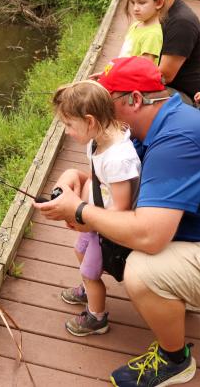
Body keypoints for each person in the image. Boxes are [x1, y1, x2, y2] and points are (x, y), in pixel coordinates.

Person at [35, 56, 200, 387]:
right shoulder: (157, 124)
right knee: (133, 243)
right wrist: (78, 176)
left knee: (142, 270)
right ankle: (181, 294)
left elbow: (150, 236)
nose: (99, 110)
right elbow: (124, 183)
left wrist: (82, 211)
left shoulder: (178, 141)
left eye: (105, 100)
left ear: (135, 99)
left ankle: (175, 360)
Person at [52, 80, 141, 337]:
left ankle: (96, 317)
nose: (66, 131)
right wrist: (80, 207)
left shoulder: (118, 159)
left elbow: (122, 209)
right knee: (79, 250)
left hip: (107, 229)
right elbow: (94, 178)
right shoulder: (96, 141)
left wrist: (85, 219)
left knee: (91, 273)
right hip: (93, 220)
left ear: (90, 121)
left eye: (69, 124)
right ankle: (88, 288)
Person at [132, 0, 200, 104]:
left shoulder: (181, 22)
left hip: (190, 98)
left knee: (129, 97)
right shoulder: (156, 13)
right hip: (168, 87)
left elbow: (163, 76)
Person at [118, 0, 168, 64]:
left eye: (141, 2)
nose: (135, 8)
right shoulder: (136, 25)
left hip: (131, 78)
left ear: (159, 3)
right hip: (122, 75)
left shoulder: (152, 34)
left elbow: (142, 68)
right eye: (133, 3)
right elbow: (124, 56)